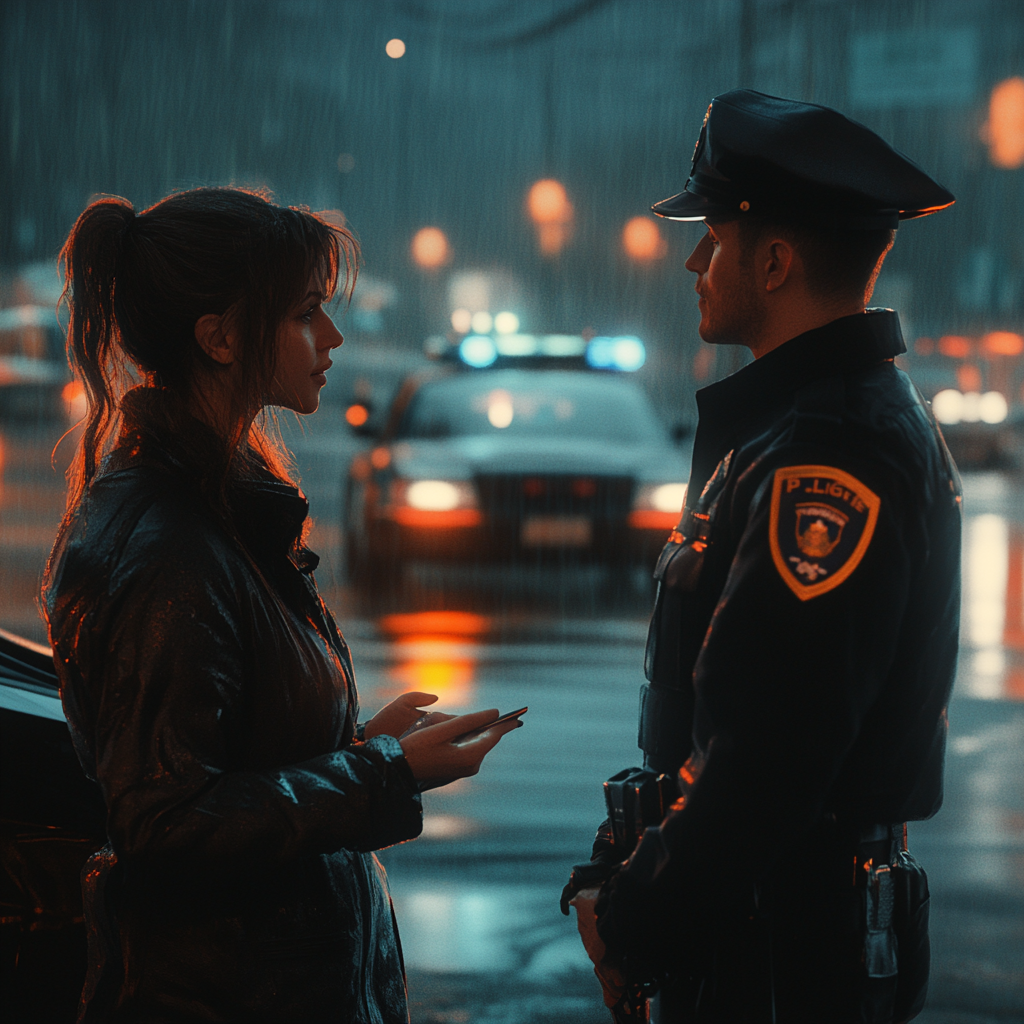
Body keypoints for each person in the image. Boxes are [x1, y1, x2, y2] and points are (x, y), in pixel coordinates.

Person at [43, 187, 521, 1023]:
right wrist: (385, 771)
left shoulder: (220, 512)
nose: (332, 337)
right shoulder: (168, 546)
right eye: (305, 313)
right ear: (219, 335)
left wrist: (359, 743)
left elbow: (226, 759)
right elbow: (167, 824)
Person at [562, 90, 961, 1023]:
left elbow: (768, 759)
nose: (694, 260)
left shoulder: (830, 453)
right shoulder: (809, 426)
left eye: (713, 236)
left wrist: (635, 921)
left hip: (779, 956)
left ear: (775, 261)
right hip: (770, 932)